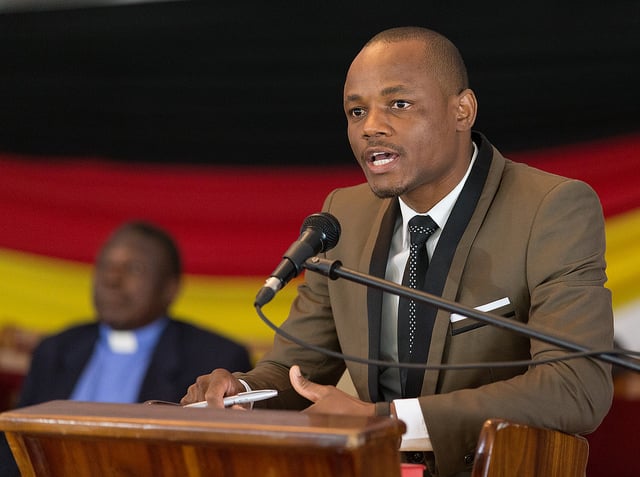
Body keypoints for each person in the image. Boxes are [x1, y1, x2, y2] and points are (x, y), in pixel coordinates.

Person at [181, 27, 613, 477]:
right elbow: (296, 369)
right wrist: (241, 391)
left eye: (398, 105)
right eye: (356, 110)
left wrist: (386, 422)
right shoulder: (342, 215)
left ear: (461, 110)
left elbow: (576, 388)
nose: (370, 126)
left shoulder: (550, 208)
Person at [0, 220, 252, 476]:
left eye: (134, 268)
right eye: (106, 266)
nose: (111, 279)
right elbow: (14, 446)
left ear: (170, 288)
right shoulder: (56, 349)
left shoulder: (214, 357)